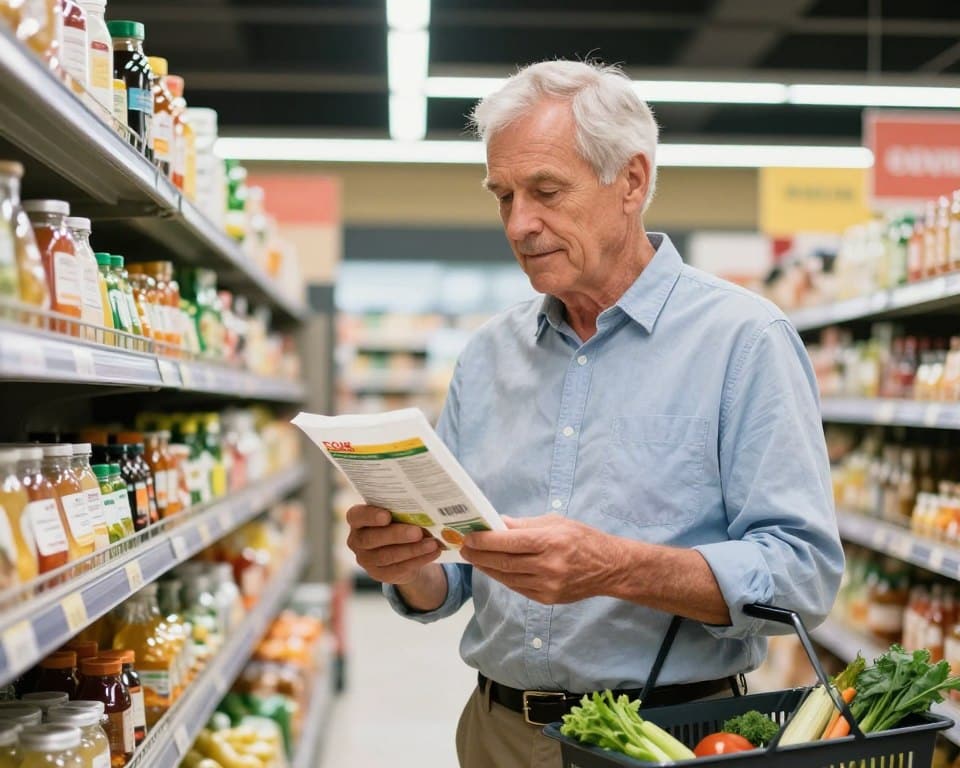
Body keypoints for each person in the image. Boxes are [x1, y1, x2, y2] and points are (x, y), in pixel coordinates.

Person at [345, 59, 844, 768]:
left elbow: (803, 573)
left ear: (631, 182)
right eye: (503, 195)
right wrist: (406, 565)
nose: (520, 223)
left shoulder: (743, 340)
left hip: (674, 738)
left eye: (546, 191)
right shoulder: (488, 356)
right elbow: (453, 578)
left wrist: (614, 567)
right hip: (497, 734)